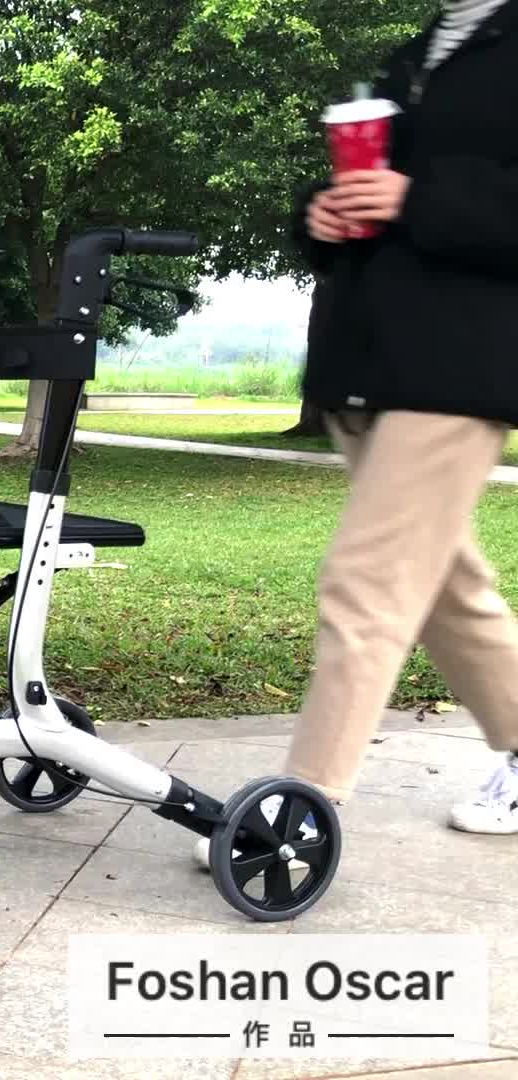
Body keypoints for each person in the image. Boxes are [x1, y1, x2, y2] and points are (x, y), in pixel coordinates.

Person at [277, 0, 518, 836]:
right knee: (449, 589)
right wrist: (320, 213)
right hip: (371, 357)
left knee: (367, 584)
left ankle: (305, 807)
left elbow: (440, 197)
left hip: (464, 363)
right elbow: (371, 186)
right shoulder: (419, 52)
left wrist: (418, 198)